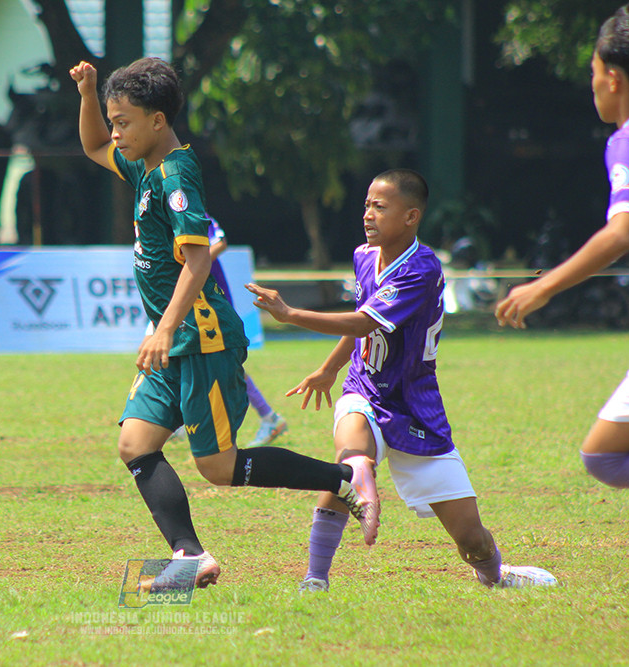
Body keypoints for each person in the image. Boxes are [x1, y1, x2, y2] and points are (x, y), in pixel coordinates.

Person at [69, 57, 377, 588]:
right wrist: (90, 93)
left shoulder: (176, 174)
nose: (114, 131)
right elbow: (93, 147)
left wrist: (163, 328)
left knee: (216, 466)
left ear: (159, 120)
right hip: (175, 338)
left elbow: (198, 261)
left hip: (202, 337)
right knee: (135, 444)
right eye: (112, 119)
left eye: (123, 120)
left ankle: (344, 478)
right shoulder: (142, 162)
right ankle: (191, 557)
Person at [247, 169, 557, 590]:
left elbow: (361, 322)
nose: (368, 215)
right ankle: (315, 579)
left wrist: (290, 314)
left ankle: (494, 576)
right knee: (348, 462)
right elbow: (362, 327)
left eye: (380, 206)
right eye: (367, 205)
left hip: (415, 405)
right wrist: (331, 369)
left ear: (411, 216)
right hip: (365, 387)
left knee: (471, 539)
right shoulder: (363, 256)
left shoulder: (421, 269)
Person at [495, 3, 629, 496]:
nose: (589, 84)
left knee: (604, 455)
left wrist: (543, 286)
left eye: (591, 72)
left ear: (613, 78)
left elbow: (621, 232)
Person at [167, 215, 288, 446]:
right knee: (187, 355)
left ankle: (269, 416)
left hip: (212, 303)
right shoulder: (165, 218)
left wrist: (192, 262)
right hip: (191, 301)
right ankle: (181, 420)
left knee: (224, 363)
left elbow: (220, 242)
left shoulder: (192, 213)